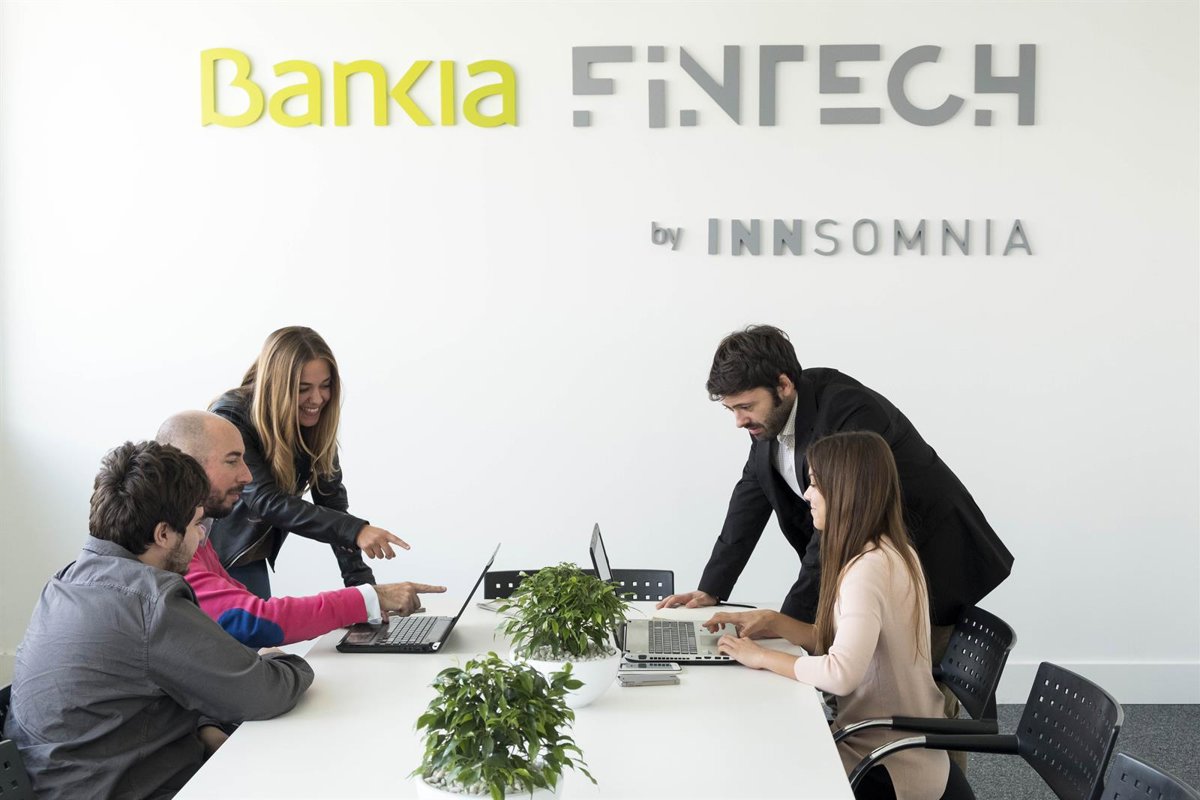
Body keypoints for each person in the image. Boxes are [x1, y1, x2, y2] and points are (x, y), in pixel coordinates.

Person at [658, 325, 1013, 652]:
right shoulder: (769, 420)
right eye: (731, 409)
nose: (738, 421)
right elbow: (749, 500)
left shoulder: (848, 412)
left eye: (746, 407)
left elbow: (836, 522)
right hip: (875, 567)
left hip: (932, 557)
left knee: (918, 678)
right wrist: (711, 589)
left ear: (783, 385)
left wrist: (786, 623)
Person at [1, 441, 314, 800]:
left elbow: (145, 684)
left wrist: (205, 723)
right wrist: (283, 660)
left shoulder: (65, 583)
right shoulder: (149, 601)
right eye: (197, 524)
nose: (201, 536)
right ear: (163, 534)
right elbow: (263, 693)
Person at [706, 432, 969, 800]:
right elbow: (839, 644)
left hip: (887, 758)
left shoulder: (868, 568)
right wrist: (774, 622)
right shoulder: (890, 551)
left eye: (815, 484)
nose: (806, 495)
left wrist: (760, 657)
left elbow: (840, 674)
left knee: (756, 768)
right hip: (888, 739)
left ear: (846, 491)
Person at [156, 410, 446, 646]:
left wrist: (360, 600)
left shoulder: (197, 533)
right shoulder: (171, 545)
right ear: (188, 466)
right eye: (232, 461)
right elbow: (257, 620)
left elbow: (250, 608)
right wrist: (369, 597)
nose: (247, 476)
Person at [207, 326, 408, 599]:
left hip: (249, 558)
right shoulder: (232, 415)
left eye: (325, 386)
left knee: (264, 627)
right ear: (277, 386)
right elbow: (265, 500)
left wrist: (364, 589)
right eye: (303, 389)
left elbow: (332, 503)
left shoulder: (314, 425)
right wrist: (355, 530)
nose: (317, 399)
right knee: (257, 626)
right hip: (214, 557)